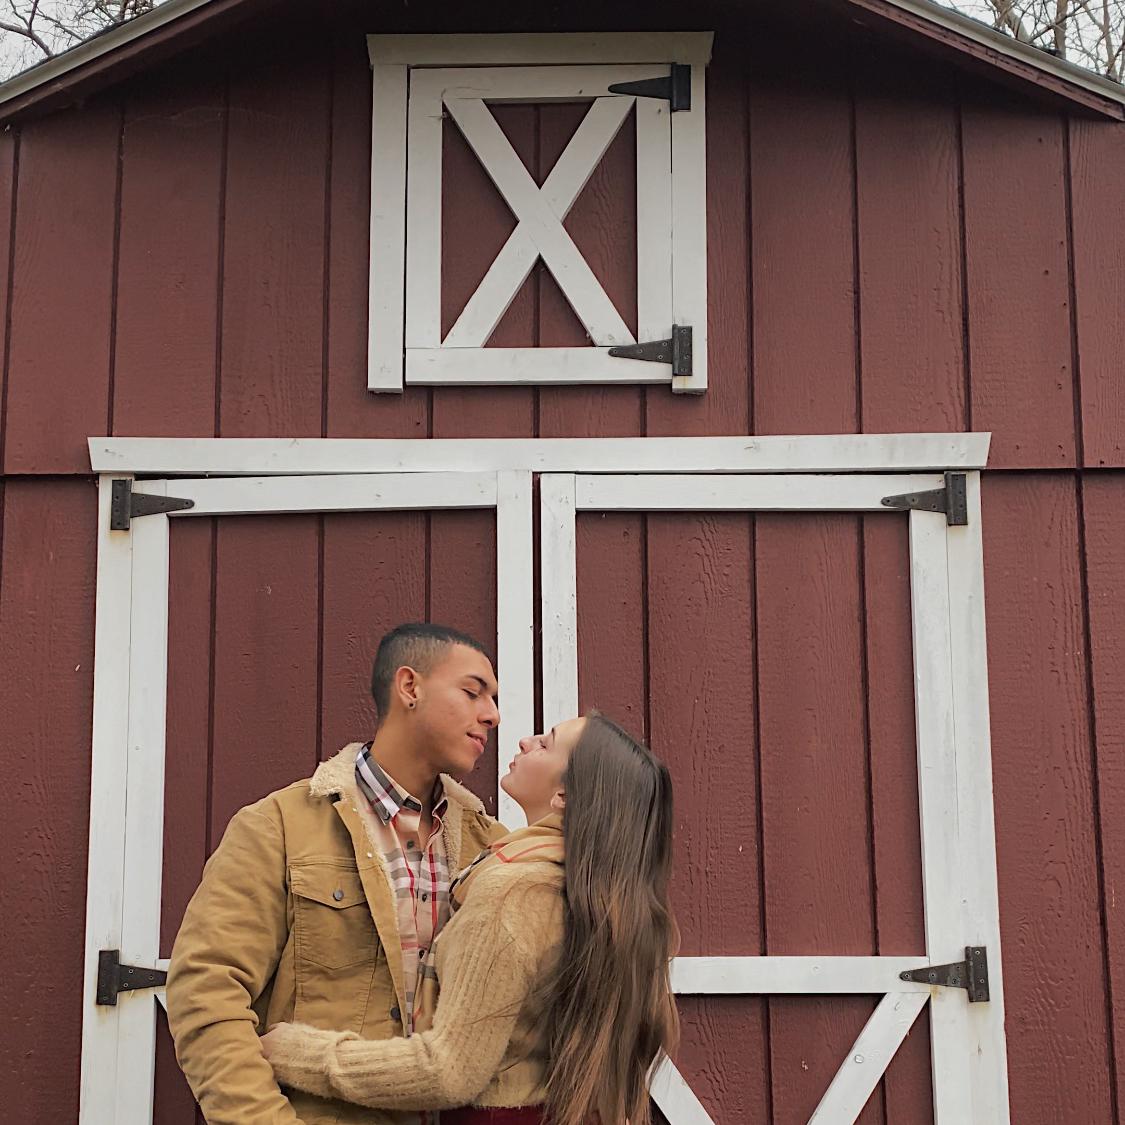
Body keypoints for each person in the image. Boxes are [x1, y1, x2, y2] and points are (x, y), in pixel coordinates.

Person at [260, 711, 679, 1125]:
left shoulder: (516, 892)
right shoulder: (583, 890)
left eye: (546, 743)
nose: (525, 741)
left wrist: (298, 1052)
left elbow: (448, 1071)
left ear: (564, 797)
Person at [166, 623, 507, 1125]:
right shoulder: (278, 826)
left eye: (494, 700)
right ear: (410, 688)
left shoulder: (492, 846)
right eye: (473, 691)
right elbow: (206, 990)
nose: (492, 715)